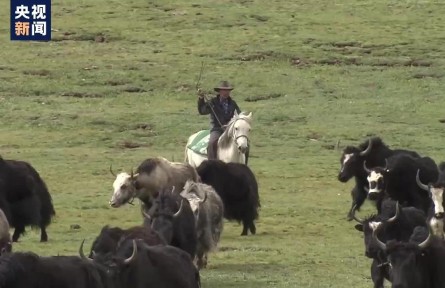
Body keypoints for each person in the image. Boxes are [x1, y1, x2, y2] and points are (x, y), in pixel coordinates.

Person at [197, 80, 241, 161]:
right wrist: (201, 99)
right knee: (212, 143)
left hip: (230, 130)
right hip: (217, 129)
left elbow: (239, 116)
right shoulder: (213, 102)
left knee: (244, 144)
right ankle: (212, 164)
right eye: (224, 90)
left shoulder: (233, 104)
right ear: (220, 91)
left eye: (228, 90)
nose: (226, 92)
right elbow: (202, 111)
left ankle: (243, 165)